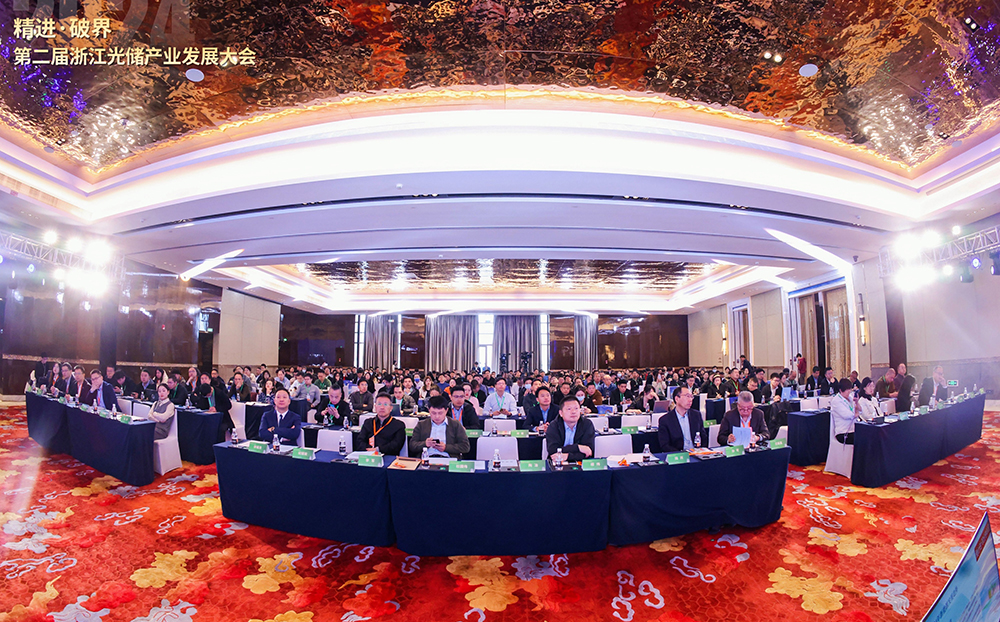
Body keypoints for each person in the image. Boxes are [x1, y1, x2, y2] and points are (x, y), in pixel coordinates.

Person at [545, 396, 596, 463]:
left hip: (582, 464)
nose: (573, 412)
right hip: (557, 464)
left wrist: (567, 456)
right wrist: (578, 447)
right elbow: (553, 451)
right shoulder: (553, 426)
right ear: (561, 413)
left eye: (576, 408)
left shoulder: (587, 424)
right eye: (569, 409)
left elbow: (588, 452)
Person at [659, 386, 706, 452]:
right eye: (687, 396)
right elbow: (665, 445)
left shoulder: (696, 415)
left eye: (691, 397)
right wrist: (682, 454)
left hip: (697, 453)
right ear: (677, 399)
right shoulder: (665, 420)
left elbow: (704, 438)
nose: (690, 400)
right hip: (678, 455)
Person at [195, 372, 233, 441]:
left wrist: (216, 408)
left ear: (211, 390)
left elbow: (228, 405)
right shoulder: (203, 392)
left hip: (222, 418)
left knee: (220, 429)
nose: (208, 397)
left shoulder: (219, 393)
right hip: (208, 417)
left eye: (208, 395)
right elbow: (200, 405)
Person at [830, 378, 857, 445]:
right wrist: (856, 414)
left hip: (853, 429)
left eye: (849, 389)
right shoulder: (836, 401)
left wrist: (857, 406)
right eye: (847, 390)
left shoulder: (850, 398)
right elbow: (848, 415)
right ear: (841, 390)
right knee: (862, 438)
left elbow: (859, 410)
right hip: (843, 432)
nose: (849, 391)